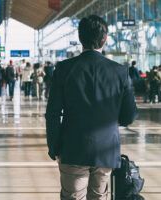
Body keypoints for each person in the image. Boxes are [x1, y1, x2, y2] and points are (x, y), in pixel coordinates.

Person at [46, 15, 137, 200]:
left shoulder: (64, 69)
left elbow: (53, 113)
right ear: (105, 39)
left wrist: (54, 146)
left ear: (80, 38)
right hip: (106, 150)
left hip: (72, 148)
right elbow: (129, 116)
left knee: (73, 196)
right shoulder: (120, 72)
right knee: (98, 196)